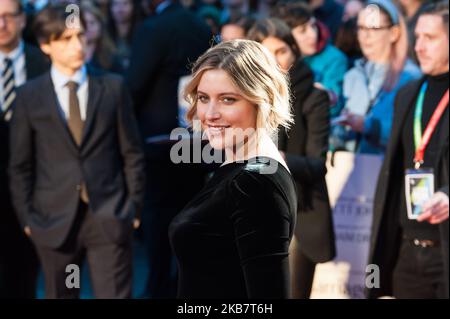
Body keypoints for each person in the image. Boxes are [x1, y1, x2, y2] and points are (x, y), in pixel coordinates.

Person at [9, 2, 146, 299]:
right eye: (66, 39)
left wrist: (132, 208)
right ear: (46, 45)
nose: (78, 45)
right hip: (52, 219)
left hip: (109, 215)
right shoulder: (29, 96)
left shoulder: (112, 87)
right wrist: (28, 219)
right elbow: (20, 164)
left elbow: (131, 152)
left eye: (81, 36)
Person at [169, 39, 297, 298]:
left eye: (228, 100)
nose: (210, 113)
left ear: (261, 100)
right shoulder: (242, 169)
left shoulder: (256, 183)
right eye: (204, 98)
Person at [126, 0, 212, 298]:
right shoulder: (200, 25)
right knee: (187, 210)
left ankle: (159, 283)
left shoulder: (152, 28)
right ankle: (181, 283)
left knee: (157, 214)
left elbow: (133, 86)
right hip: (194, 139)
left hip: (158, 141)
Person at [247, 17, 335, 299]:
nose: (275, 60)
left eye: (282, 51)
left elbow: (317, 164)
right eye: (266, 53)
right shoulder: (248, 97)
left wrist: (277, 157)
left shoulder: (313, 97)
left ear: (294, 50)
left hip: (298, 214)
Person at [367, 0, 449, 299]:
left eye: (431, 38)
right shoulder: (408, 94)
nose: (419, 47)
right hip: (406, 251)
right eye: (418, 38)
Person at [0, 0, 49, 299]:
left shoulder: (43, 64)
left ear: (22, 21)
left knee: (25, 274)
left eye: (8, 17)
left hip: (34, 188)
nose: (1, 24)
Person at [331, 0, 422, 154]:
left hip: (389, 171)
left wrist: (367, 125)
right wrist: (330, 104)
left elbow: (413, 135)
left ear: (394, 33)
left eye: (374, 28)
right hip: (351, 169)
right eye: (361, 28)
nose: (365, 36)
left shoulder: (410, 77)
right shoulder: (353, 74)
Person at [278, 2, 348, 117]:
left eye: (313, 26)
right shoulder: (277, 56)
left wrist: (328, 97)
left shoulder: (334, 58)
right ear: (287, 37)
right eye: (302, 31)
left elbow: (334, 107)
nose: (312, 34)